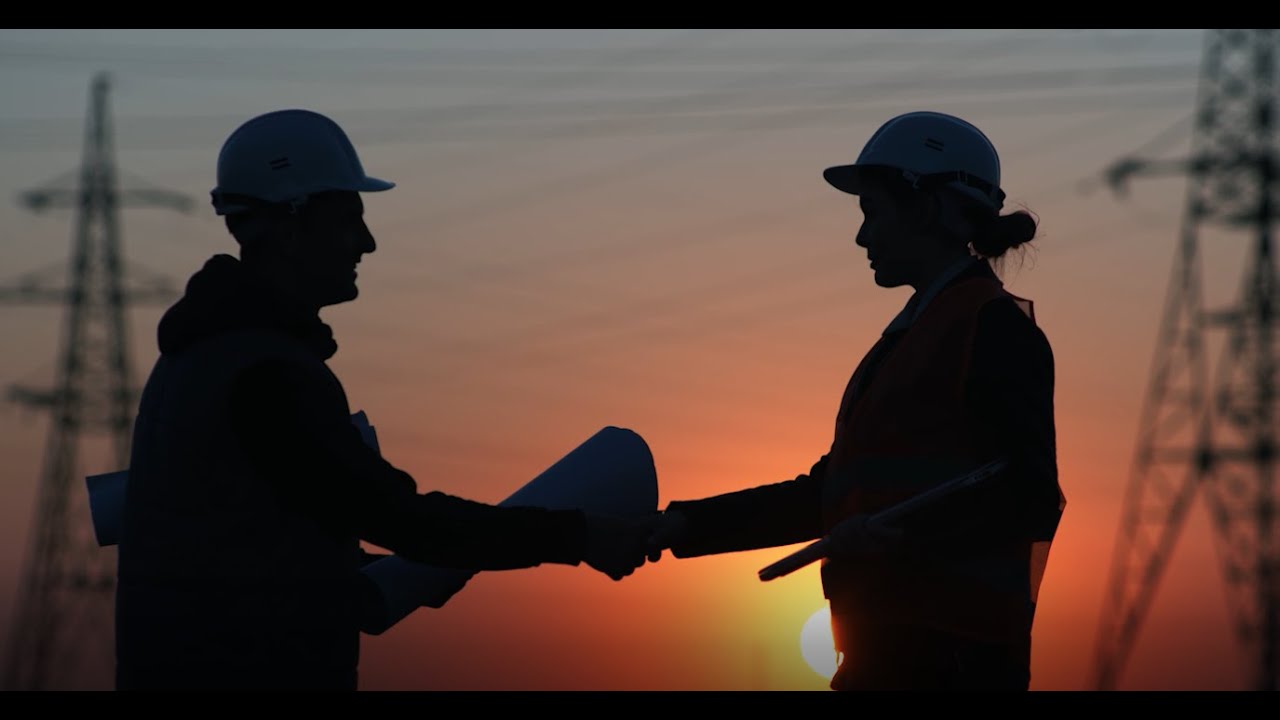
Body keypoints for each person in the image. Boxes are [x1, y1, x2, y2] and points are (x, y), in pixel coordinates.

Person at [115, 109, 651, 691]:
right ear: (292, 224)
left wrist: (359, 573)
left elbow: (238, 548)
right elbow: (400, 517)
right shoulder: (265, 373)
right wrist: (581, 536)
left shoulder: (208, 356)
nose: (367, 243)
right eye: (350, 219)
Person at [645, 111, 1066, 691]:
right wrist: (682, 526)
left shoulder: (989, 330)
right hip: (889, 656)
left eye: (872, 211)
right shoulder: (919, 334)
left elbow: (1031, 497)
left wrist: (900, 539)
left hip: (950, 666)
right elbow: (835, 493)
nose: (862, 236)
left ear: (930, 206)